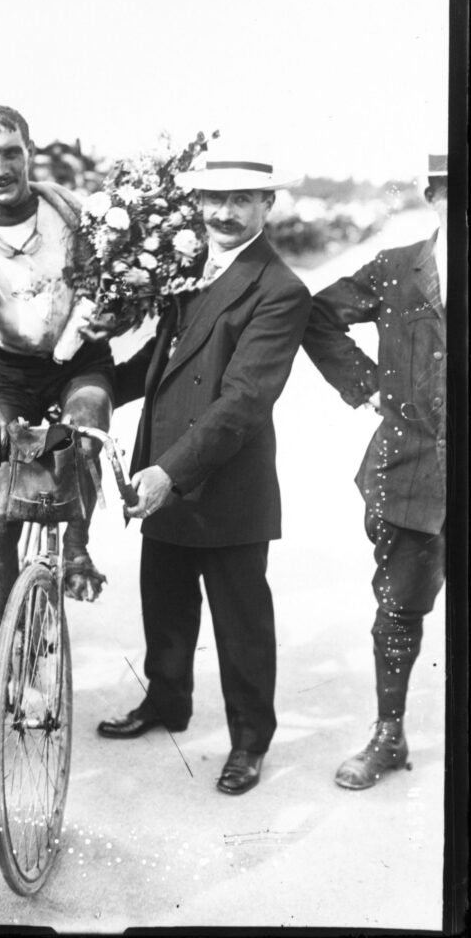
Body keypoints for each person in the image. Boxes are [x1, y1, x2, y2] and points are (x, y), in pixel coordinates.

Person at [93, 141, 311, 796]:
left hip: (226, 486)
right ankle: (167, 701)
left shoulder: (280, 289)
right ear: (197, 202)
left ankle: (250, 740)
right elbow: (160, 367)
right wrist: (87, 382)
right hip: (167, 470)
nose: (224, 212)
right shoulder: (186, 269)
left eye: (241, 199)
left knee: (240, 622)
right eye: (214, 198)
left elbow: (241, 401)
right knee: (164, 599)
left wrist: (169, 473)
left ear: (268, 206)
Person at [0, 104, 114, 718]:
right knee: (2, 510)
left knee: (85, 429)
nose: (2, 167)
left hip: (79, 363)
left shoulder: (75, 213)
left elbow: (115, 289)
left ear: (30, 152)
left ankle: (80, 543)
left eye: (13, 152)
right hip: (9, 374)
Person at [302, 154, 448, 790]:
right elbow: (316, 316)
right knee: (397, 610)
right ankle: (389, 735)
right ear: (433, 193)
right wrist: (368, 388)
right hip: (410, 473)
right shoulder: (397, 268)